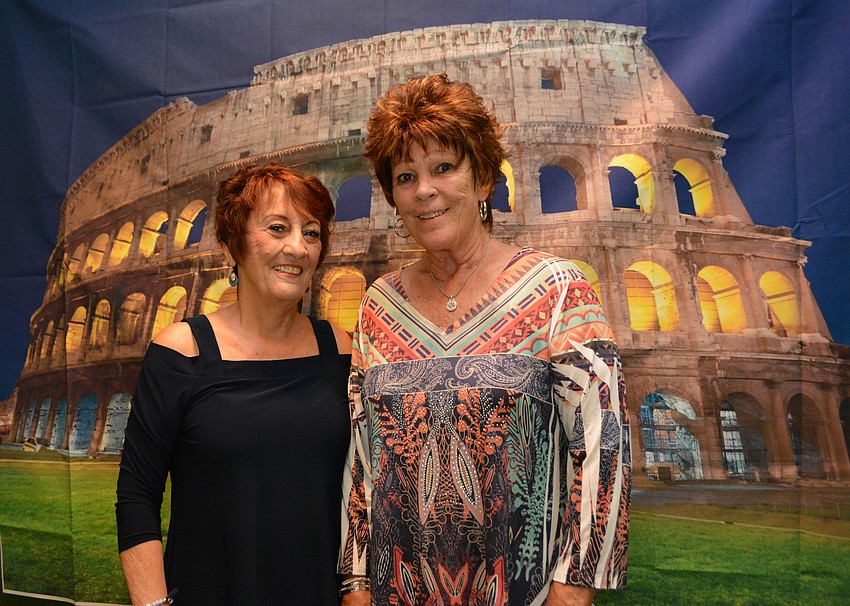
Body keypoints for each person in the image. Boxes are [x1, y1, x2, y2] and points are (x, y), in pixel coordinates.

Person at [338, 75, 631, 606]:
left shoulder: (560, 289)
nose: (424, 189)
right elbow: (362, 460)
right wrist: (356, 583)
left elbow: (600, 448)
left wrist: (574, 587)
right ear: (393, 198)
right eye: (406, 176)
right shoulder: (377, 303)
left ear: (483, 180)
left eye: (443, 167)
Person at [116, 163, 351, 605]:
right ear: (234, 241)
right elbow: (137, 497)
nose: (297, 248)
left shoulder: (339, 350)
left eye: (312, 233)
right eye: (277, 228)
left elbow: (363, 493)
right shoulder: (180, 352)